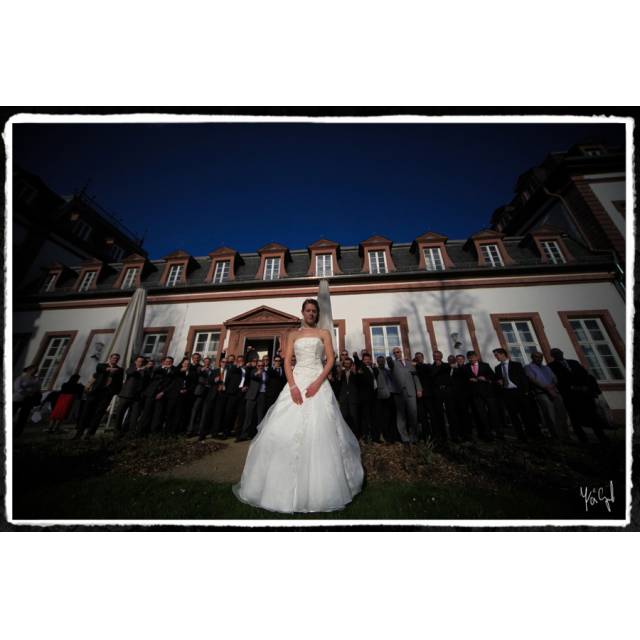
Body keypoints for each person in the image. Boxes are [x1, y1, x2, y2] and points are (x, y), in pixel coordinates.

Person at [233, 296, 364, 513]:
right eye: (308, 310)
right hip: (297, 381)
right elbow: (287, 362)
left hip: (317, 381)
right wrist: (293, 386)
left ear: (317, 314)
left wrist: (318, 382)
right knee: (282, 429)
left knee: (322, 429)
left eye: (314, 311)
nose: (311, 313)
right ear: (302, 312)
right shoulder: (293, 334)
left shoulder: (324, 333)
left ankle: (321, 489)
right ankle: (277, 487)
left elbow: (330, 360)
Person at [548, 348, 609, 443]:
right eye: (555, 353)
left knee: (593, 415)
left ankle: (601, 436)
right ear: (552, 356)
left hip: (583, 392)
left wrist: (586, 387)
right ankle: (582, 438)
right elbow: (556, 381)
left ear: (562, 353)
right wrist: (571, 387)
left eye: (559, 352)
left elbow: (585, 374)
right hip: (569, 394)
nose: (558, 354)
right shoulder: (551, 366)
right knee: (574, 417)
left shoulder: (574, 362)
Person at [492, 348, 541, 441]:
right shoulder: (497, 368)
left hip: (518, 391)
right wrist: (498, 382)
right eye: (495, 355)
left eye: (497, 355)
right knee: (513, 416)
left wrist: (526, 391)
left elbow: (523, 378)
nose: (496, 357)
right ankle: (521, 436)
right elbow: (497, 380)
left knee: (526, 413)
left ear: (503, 354)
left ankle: (533, 434)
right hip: (507, 393)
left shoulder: (516, 365)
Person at [74, 353, 124, 438]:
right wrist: (109, 369)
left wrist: (115, 392)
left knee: (99, 414)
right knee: (86, 412)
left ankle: (90, 434)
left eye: (117, 359)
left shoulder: (119, 370)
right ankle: (79, 433)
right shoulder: (102, 365)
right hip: (95, 392)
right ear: (110, 358)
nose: (115, 360)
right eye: (114, 358)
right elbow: (99, 369)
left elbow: (119, 382)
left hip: (106, 395)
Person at [524, 352, 571, 441]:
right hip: (541, 393)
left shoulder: (546, 367)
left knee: (562, 414)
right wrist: (546, 388)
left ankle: (566, 435)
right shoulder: (528, 367)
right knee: (550, 415)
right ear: (532, 358)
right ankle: (556, 436)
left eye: (540, 357)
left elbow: (554, 378)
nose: (539, 359)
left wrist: (552, 386)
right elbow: (532, 379)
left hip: (555, 391)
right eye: (536, 357)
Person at [462, 350, 502, 441]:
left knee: (493, 412)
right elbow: (463, 379)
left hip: (488, 393)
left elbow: (493, 376)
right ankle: (487, 434)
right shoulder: (465, 367)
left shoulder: (485, 365)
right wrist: (469, 380)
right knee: (481, 414)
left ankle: (499, 433)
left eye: (473, 357)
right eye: (469, 358)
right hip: (476, 394)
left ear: (477, 357)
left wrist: (485, 378)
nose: (471, 359)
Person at [386, 346, 423, 445]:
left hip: (411, 392)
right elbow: (389, 362)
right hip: (399, 393)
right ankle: (404, 438)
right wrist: (389, 357)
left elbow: (415, 377)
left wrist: (419, 389)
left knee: (413, 415)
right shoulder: (393, 364)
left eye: (398, 352)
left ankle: (414, 437)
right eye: (395, 352)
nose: (397, 354)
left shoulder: (409, 363)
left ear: (401, 352)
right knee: (401, 416)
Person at [113, 356, 149, 437]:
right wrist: (139, 369)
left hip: (137, 397)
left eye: (142, 361)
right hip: (126, 395)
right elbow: (130, 373)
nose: (140, 363)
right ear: (135, 362)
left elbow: (146, 382)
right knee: (120, 413)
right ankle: (117, 431)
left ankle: (130, 432)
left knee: (134, 416)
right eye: (139, 361)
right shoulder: (131, 368)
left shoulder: (145, 371)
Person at [13, 365, 42, 436]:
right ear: (29, 370)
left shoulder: (36, 379)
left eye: (36, 370)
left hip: (28, 400)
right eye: (34, 369)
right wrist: (27, 393)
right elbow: (17, 388)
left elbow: (38, 388)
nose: (35, 371)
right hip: (18, 398)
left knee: (23, 416)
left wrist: (36, 394)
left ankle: (17, 432)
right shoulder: (21, 378)